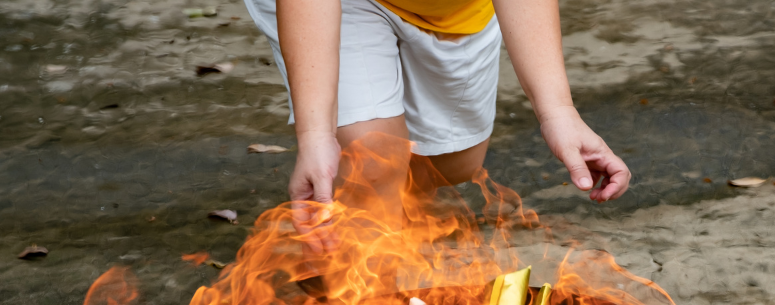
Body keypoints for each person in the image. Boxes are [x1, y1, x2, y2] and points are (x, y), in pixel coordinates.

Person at [243, 0, 631, 204]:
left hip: (457, 9)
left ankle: (373, 207)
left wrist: (559, 111)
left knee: (454, 164)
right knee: (372, 161)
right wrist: (315, 136)